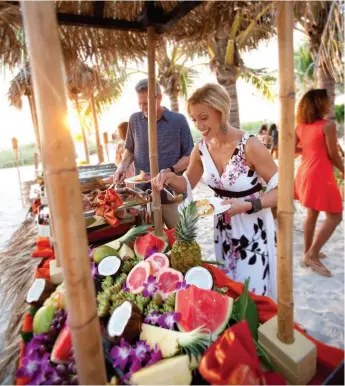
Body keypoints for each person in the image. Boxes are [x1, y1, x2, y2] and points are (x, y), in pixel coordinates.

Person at [152, 83, 278, 300]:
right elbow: (187, 184)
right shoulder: (200, 149)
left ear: (221, 111)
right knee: (232, 288)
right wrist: (171, 178)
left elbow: (283, 188)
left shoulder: (250, 146)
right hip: (223, 229)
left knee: (255, 292)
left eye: (204, 117)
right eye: (194, 119)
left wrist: (249, 205)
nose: (199, 125)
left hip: (253, 228)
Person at [113, 79, 194, 229]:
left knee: (181, 242)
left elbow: (189, 156)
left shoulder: (179, 121)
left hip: (171, 196)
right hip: (143, 197)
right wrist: (122, 167)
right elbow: (130, 149)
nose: (143, 108)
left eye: (147, 103)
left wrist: (170, 170)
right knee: (150, 245)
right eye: (140, 104)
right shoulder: (134, 120)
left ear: (159, 97)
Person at [295, 89, 343, 277]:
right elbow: (333, 154)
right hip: (320, 173)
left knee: (312, 213)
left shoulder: (300, 127)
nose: (330, 103)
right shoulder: (327, 126)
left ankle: (307, 252)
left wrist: (310, 149)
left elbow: (292, 150)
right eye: (327, 100)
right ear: (318, 103)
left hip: (306, 171)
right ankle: (312, 255)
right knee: (335, 216)